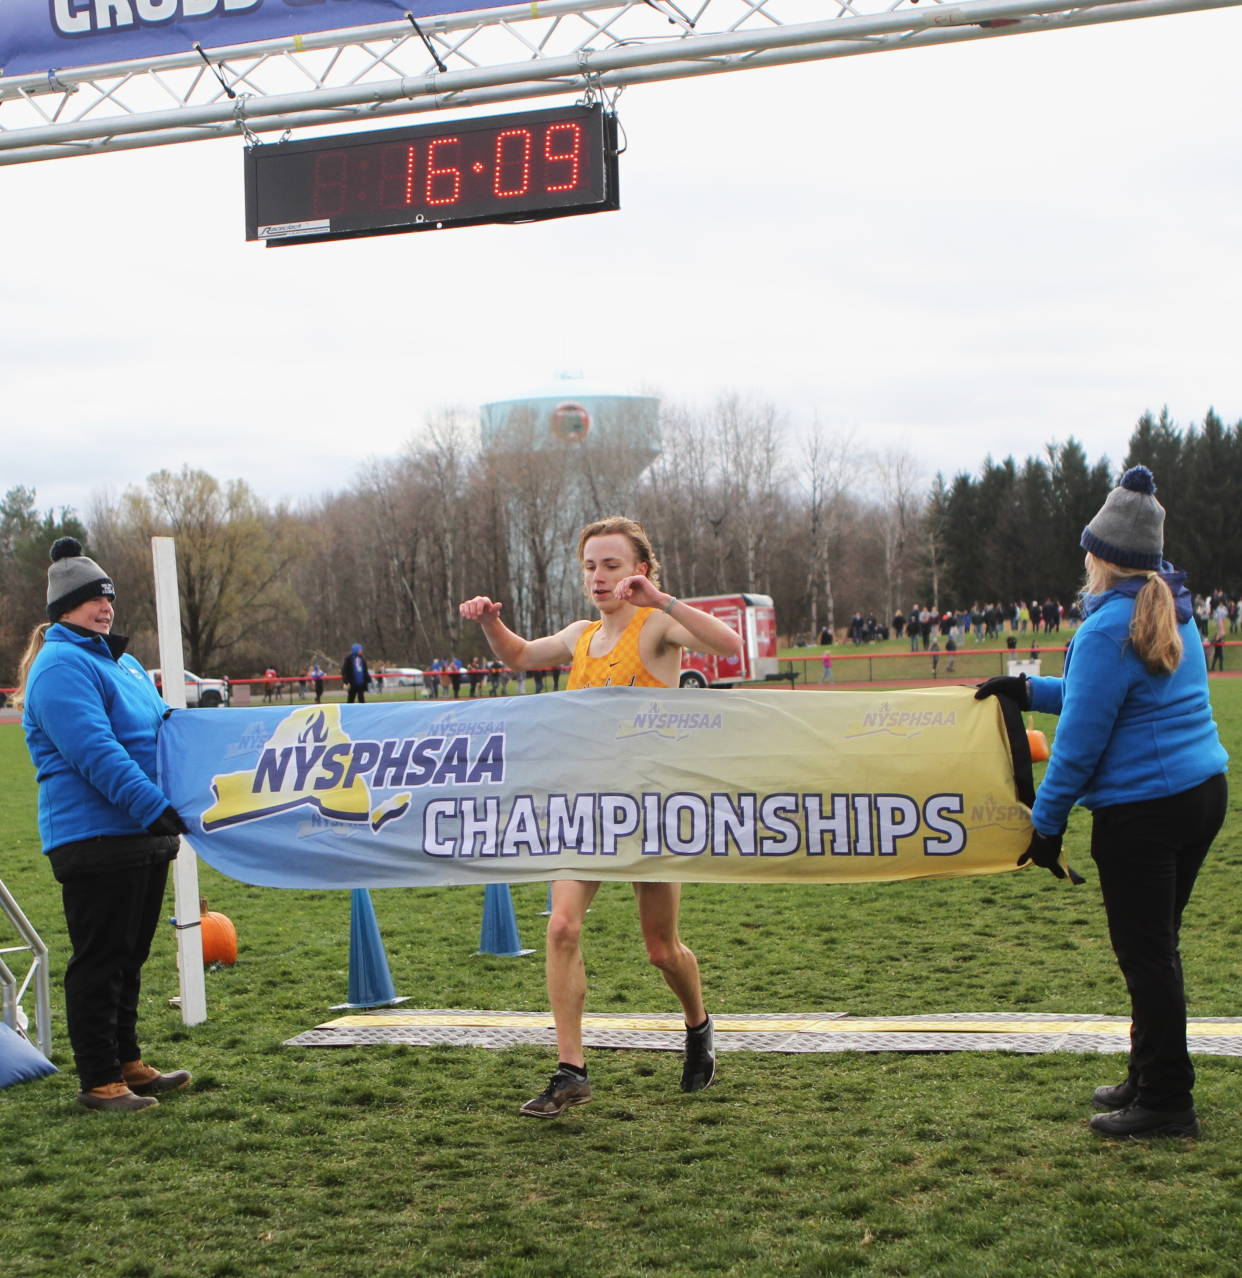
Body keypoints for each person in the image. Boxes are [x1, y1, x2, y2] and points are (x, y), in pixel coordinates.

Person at [460, 515, 744, 1119]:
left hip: (647, 805)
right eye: (590, 564)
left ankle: (699, 1029)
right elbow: (518, 656)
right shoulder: (580, 635)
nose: (598, 575)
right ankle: (571, 1072)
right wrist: (491, 622)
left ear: (639, 569)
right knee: (561, 926)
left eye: (611, 564)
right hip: (585, 803)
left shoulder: (659, 625)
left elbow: (728, 646)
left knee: (662, 950)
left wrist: (662, 599)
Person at [975, 466, 1228, 1139]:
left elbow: (1079, 749)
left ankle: (1168, 1102)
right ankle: (1149, 1076)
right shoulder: (1169, 605)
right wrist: (1029, 692)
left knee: (1147, 956)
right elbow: (1102, 691)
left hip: (1143, 814)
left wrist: (1046, 827)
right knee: (1158, 948)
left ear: (1101, 555)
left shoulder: (1106, 628)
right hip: (1201, 796)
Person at [16, 538, 192, 1112]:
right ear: (62, 608)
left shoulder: (124, 662)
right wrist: (153, 806)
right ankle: (97, 1079)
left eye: (109, 595)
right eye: (91, 598)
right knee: (100, 958)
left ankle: (126, 1060)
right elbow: (97, 752)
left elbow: (163, 730)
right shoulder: (59, 666)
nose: (105, 606)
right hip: (95, 837)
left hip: (142, 834)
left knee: (131, 954)